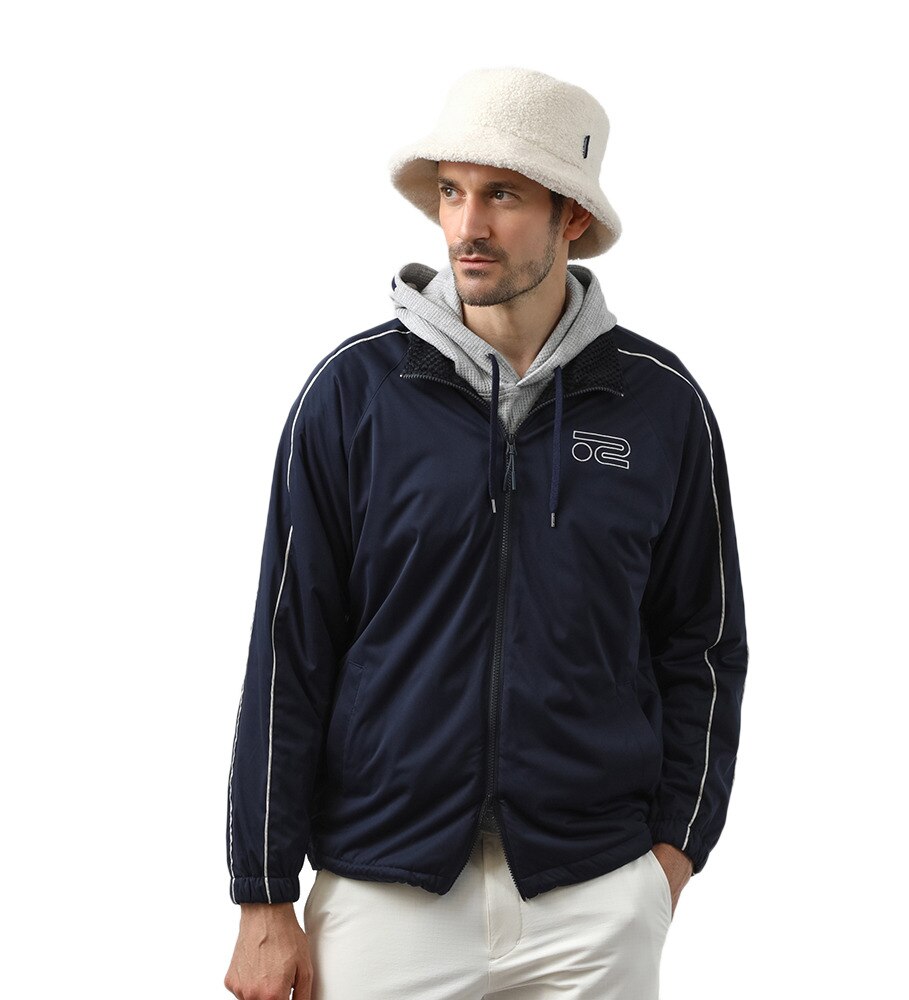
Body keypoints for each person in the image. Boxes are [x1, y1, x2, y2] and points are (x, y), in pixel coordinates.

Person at [224, 66, 748, 1000]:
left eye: (502, 195)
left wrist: (673, 855)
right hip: (387, 887)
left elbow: (702, 645)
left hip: (595, 891)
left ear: (570, 217)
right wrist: (263, 893)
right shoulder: (354, 395)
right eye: (451, 192)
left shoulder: (660, 406)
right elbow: (288, 647)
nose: (467, 225)